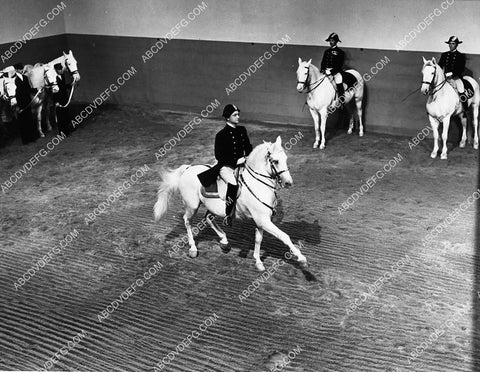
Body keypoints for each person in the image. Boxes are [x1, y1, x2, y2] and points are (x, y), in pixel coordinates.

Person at [197, 104, 253, 226]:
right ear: (227, 118)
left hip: (242, 164)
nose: (238, 117)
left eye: (238, 114)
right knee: (233, 184)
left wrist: (249, 156)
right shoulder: (221, 135)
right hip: (226, 166)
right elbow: (219, 157)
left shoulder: (242, 130)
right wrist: (236, 161)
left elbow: (248, 147)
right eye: (235, 115)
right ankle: (228, 215)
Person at [438, 36, 468, 112]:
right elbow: (440, 66)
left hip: (456, 77)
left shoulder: (460, 56)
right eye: (450, 43)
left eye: (453, 43)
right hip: (445, 78)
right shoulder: (444, 55)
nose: (451, 45)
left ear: (456, 45)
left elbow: (461, 69)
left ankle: (465, 109)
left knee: (461, 90)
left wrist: (451, 73)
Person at [13, 62, 37, 144]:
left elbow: (28, 89)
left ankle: (31, 137)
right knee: (22, 122)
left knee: (29, 119)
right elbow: (14, 92)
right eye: (20, 69)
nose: (21, 70)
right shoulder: (14, 79)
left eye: (22, 69)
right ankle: (25, 140)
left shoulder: (25, 77)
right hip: (20, 103)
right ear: (16, 70)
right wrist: (17, 106)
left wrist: (36, 89)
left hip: (27, 102)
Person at [320, 32, 345, 102]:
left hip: (335, 72)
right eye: (330, 40)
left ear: (336, 42)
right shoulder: (326, 51)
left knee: (339, 81)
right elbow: (323, 62)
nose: (331, 42)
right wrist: (322, 69)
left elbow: (339, 65)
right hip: (326, 71)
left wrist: (331, 71)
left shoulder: (340, 52)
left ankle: (341, 101)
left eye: (332, 40)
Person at [52, 63, 73, 135]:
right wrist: (56, 102)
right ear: (56, 70)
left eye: (61, 69)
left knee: (66, 115)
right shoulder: (54, 79)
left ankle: (67, 130)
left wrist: (70, 85)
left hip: (64, 98)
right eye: (59, 70)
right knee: (60, 116)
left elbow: (63, 87)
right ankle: (61, 131)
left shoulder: (62, 75)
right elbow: (54, 91)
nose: (61, 71)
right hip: (59, 100)